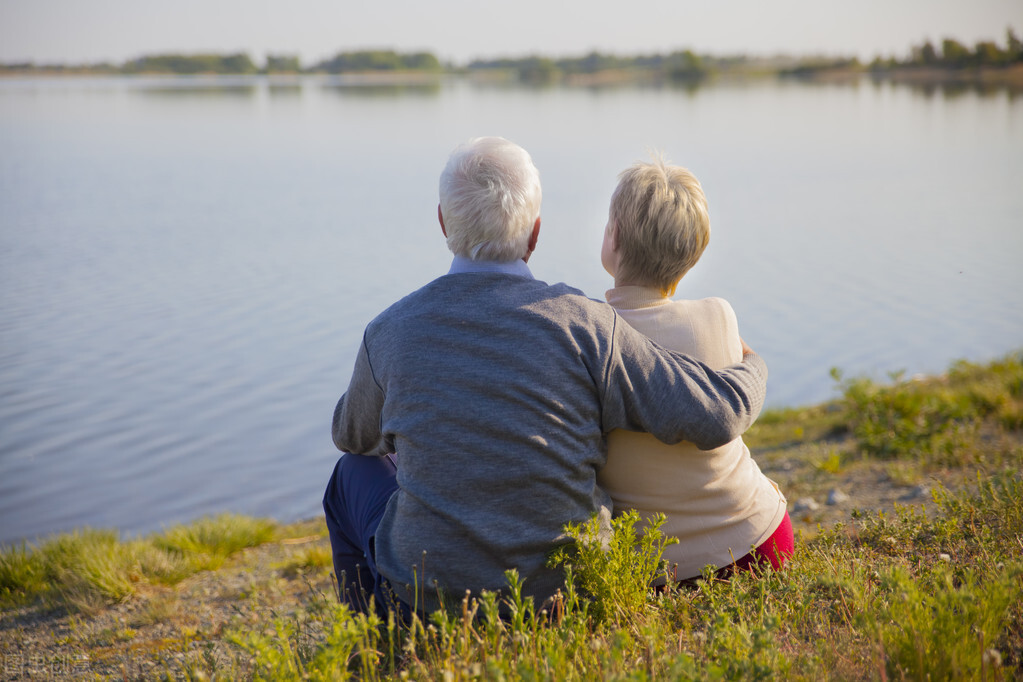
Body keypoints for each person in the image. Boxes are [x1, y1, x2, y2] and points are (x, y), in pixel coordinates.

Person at [323, 137, 770, 617]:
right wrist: (753, 366)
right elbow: (715, 414)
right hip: (566, 599)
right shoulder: (587, 325)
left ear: (441, 222)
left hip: (429, 597)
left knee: (352, 472)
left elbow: (351, 435)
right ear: (535, 234)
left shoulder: (389, 331)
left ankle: (372, 640)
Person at [596, 155, 792, 583]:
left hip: (665, 570)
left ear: (613, 237)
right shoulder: (719, 316)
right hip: (763, 540)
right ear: (693, 253)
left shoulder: (590, 338)